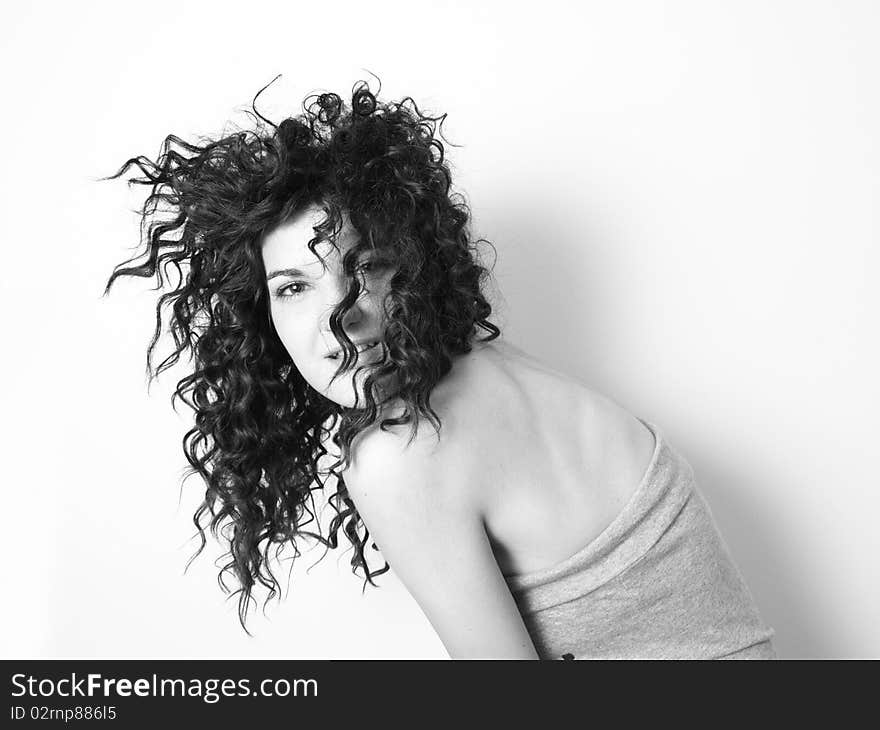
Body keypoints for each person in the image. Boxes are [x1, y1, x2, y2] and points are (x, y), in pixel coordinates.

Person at [106, 80, 777, 660]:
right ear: (264, 321)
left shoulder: (401, 453)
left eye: (364, 268)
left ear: (411, 269)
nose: (337, 320)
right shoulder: (501, 370)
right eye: (292, 287)